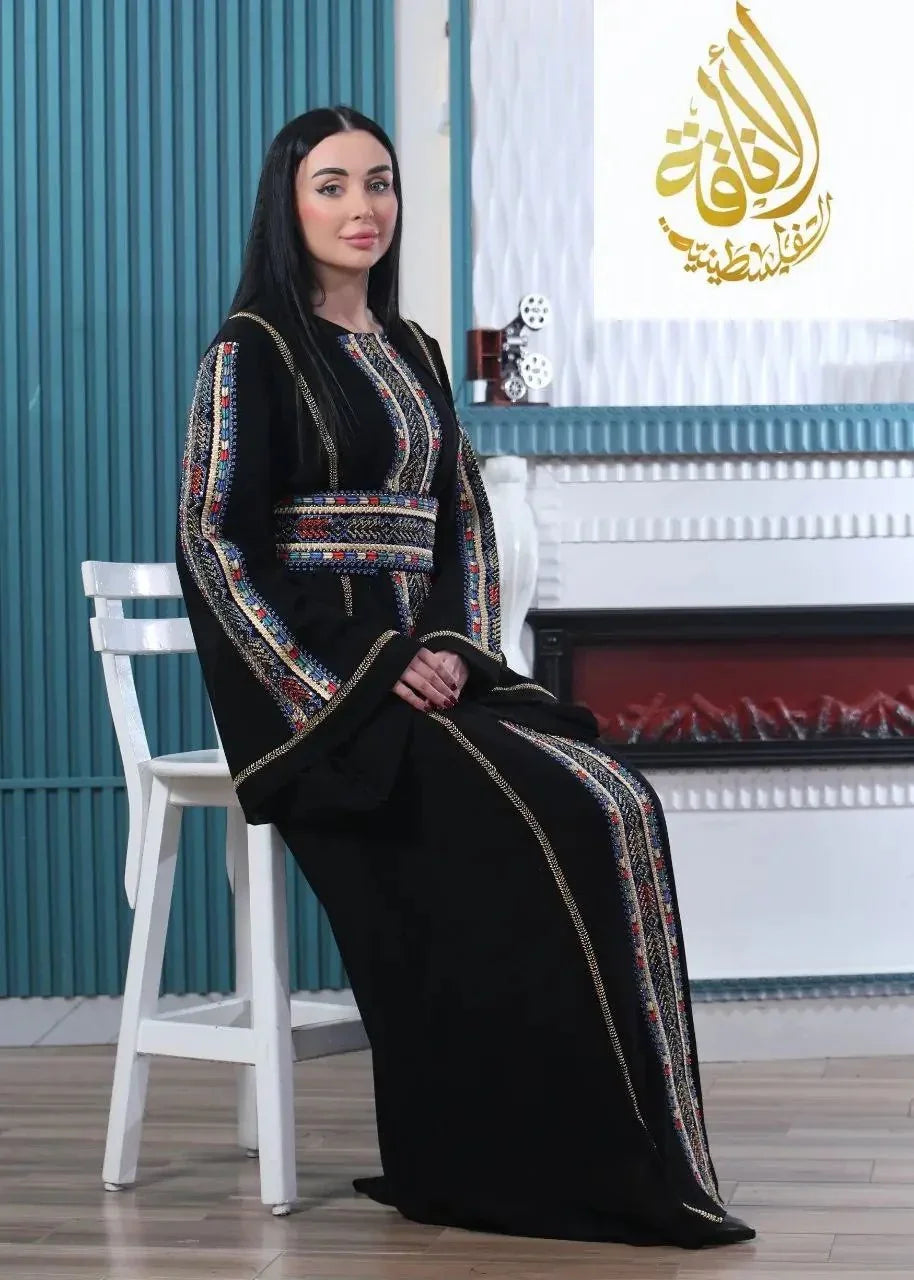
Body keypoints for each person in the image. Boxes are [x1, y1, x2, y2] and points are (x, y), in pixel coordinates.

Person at [175, 105, 755, 1249]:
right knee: (553, 817)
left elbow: (465, 527)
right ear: (288, 203)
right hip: (326, 706)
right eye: (332, 185)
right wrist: (365, 672)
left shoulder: (415, 351)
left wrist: (448, 645)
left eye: (379, 183)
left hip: (427, 679)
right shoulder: (250, 352)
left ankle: (634, 1159)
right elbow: (214, 540)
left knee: (613, 799)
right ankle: (516, 1163)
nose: (363, 208)